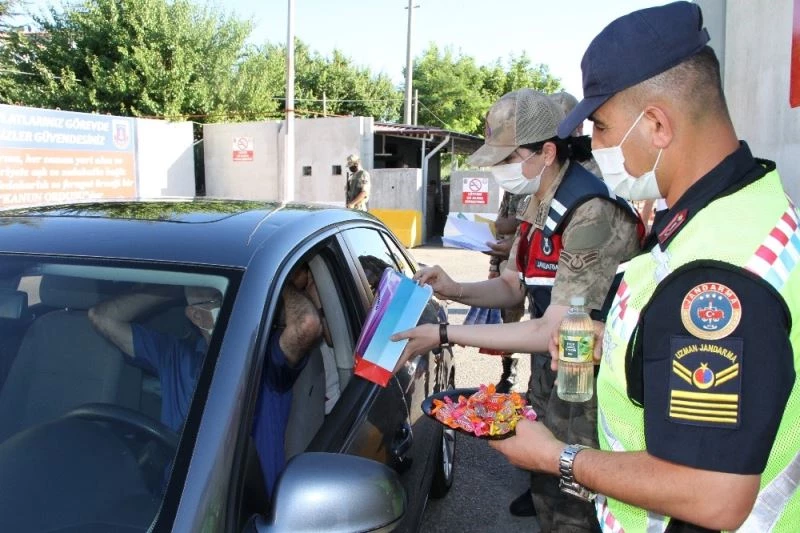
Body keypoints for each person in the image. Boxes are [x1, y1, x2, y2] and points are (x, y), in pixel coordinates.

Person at [489, 3, 800, 532]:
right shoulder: (733, 211)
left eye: (603, 129)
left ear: (656, 125)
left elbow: (713, 493)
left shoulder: (716, 280)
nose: (598, 148)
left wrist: (554, 457)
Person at [393, 88, 643, 530]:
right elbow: (513, 287)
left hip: (592, 373)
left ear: (547, 152)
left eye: (508, 159)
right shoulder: (539, 202)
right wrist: (454, 288)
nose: (499, 171)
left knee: (577, 496)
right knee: (543, 478)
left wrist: (445, 334)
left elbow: (551, 326)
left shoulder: (589, 210)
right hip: (553, 367)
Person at [89, 266, 323, 496]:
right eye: (217, 297)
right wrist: (169, 289)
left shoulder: (263, 358)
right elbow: (101, 317)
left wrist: (275, 278)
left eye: (236, 294)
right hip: (171, 503)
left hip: (242, 510)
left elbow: (307, 325)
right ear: (196, 315)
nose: (233, 303)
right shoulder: (174, 357)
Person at [488, 190, 528, 394]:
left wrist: (512, 223)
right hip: (508, 264)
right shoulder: (512, 188)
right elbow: (499, 227)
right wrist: (494, 266)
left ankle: (541, 377)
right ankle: (509, 373)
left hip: (537, 260)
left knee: (544, 318)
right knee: (510, 320)